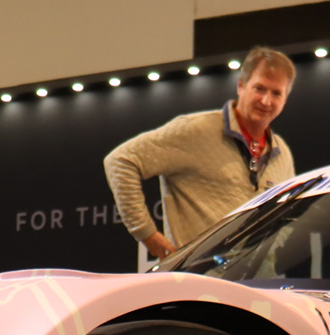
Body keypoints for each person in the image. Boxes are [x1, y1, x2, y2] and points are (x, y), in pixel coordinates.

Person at [105, 46, 296, 260]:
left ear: (285, 100)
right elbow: (120, 161)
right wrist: (146, 233)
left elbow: (286, 217)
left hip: (261, 278)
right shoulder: (196, 130)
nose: (266, 101)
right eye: (259, 88)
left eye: (276, 93)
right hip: (197, 278)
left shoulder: (282, 154)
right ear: (241, 86)